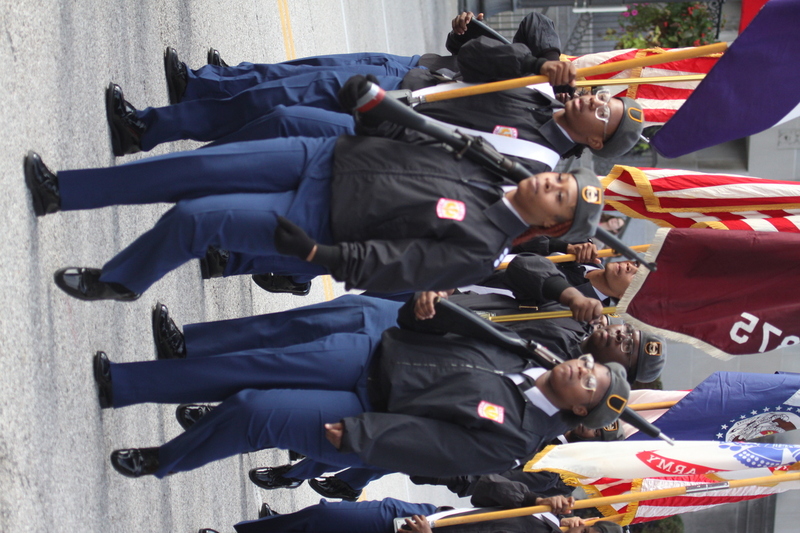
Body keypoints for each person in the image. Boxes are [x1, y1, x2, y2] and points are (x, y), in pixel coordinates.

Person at [24, 125, 604, 299]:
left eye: (559, 196)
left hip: (318, 220)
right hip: (328, 157)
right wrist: (373, 112)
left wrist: (320, 255)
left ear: (549, 225)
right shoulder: (493, 165)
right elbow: (420, 138)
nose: (551, 182)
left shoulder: (482, 248)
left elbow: (398, 265)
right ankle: (64, 192)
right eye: (561, 179)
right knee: (193, 169)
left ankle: (122, 280)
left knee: (195, 220)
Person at [94, 295, 630, 480]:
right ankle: (127, 382)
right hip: (376, 356)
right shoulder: (529, 351)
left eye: (591, 382)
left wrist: (362, 436)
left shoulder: (517, 438)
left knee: (254, 411)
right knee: (251, 366)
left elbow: (436, 449)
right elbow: (453, 332)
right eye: (589, 363)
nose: (581, 368)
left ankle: (164, 460)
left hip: (364, 416)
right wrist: (424, 311)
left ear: (582, 410)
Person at [200, 474, 623, 533]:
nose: (578, 527)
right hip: (423, 517)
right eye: (586, 526)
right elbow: (485, 490)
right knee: (324, 516)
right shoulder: (540, 511)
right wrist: (535, 497)